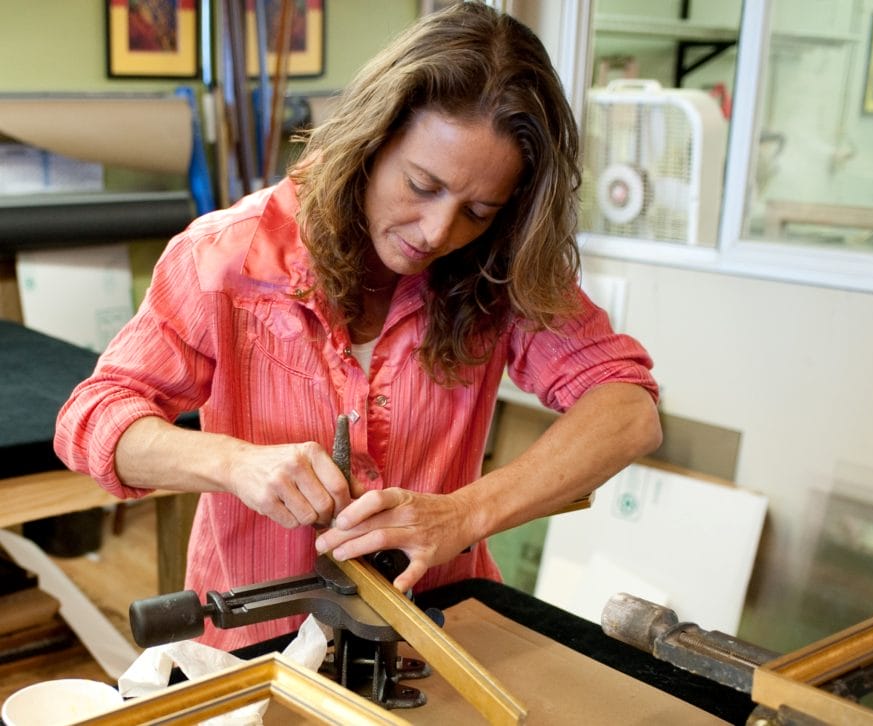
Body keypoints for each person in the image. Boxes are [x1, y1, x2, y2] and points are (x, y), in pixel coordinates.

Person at [55, 1, 661, 651]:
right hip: (261, 641)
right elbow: (93, 419)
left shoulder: (495, 268)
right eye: (422, 185)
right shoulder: (225, 258)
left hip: (435, 630)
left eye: (478, 210)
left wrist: (465, 513)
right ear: (372, 142)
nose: (438, 233)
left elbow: (628, 411)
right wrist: (232, 464)